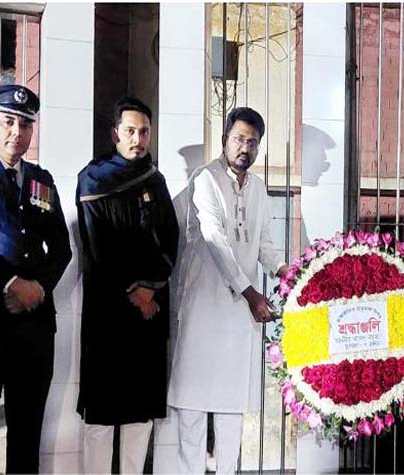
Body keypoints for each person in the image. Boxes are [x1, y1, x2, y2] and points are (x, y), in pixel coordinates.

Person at [0, 84, 71, 473]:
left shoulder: (41, 181)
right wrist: (10, 284)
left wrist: (37, 288)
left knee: (26, 436)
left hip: (33, 328)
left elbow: (62, 248)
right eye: (8, 122)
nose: (16, 133)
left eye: (25, 124)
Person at [168, 107, 288, 474]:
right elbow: (215, 239)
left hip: (237, 318)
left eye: (252, 142)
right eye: (239, 139)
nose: (245, 148)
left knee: (231, 413)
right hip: (203, 309)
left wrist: (285, 271)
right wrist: (252, 294)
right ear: (224, 139)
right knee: (191, 411)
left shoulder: (258, 189)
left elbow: (264, 243)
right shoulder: (205, 179)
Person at [75, 97, 180, 474]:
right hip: (108, 313)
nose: (138, 139)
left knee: (139, 414)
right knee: (101, 415)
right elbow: (98, 246)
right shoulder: (93, 179)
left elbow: (170, 237)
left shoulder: (155, 179)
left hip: (148, 316)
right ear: (115, 133)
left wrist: (150, 288)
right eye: (131, 131)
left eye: (144, 132)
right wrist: (135, 292)